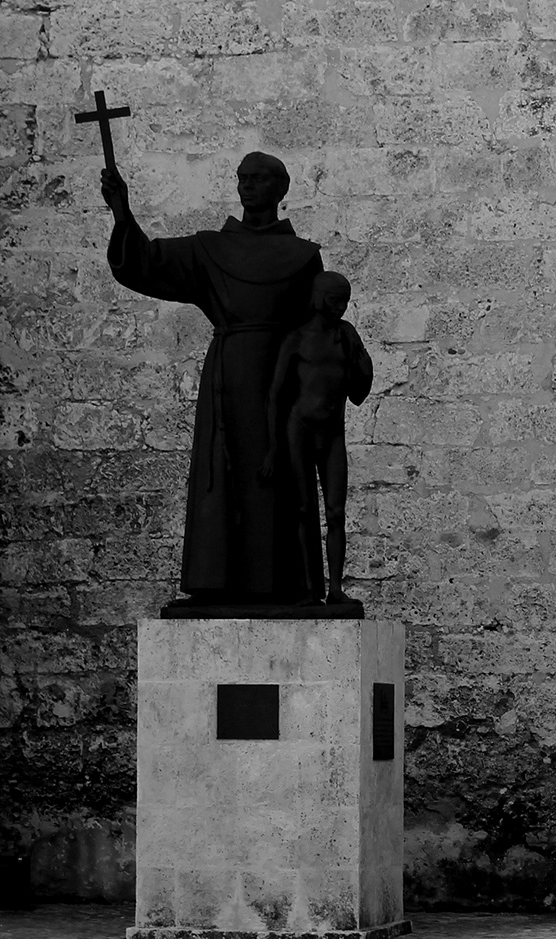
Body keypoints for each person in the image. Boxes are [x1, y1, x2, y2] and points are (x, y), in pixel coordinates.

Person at [100, 154, 324, 604]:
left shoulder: (303, 257)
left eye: (258, 179)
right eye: (242, 178)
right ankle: (215, 582)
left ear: (281, 189)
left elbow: (316, 324)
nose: (248, 186)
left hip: (279, 383)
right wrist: (122, 213)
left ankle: (283, 585)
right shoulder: (208, 250)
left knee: (277, 481)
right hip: (228, 378)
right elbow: (145, 262)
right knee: (220, 479)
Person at [261, 271, 373, 605]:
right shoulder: (296, 339)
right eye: (335, 301)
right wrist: (272, 449)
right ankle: (309, 589)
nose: (340, 308)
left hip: (332, 432)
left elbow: (358, 394)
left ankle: (335, 589)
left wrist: (363, 364)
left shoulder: (345, 335)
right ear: (320, 298)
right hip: (300, 429)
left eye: (345, 302)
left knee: (336, 512)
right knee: (303, 509)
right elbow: (275, 395)